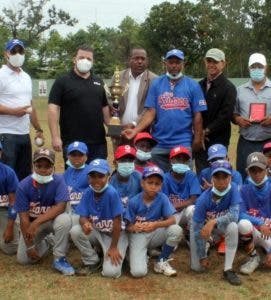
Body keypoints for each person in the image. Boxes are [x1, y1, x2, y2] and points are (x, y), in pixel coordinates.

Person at [122, 49, 207, 172]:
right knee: (156, 181)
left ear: (183, 63)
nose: (174, 65)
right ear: (165, 63)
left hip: (182, 142)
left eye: (177, 62)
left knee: (182, 180)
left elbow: (197, 115)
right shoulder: (156, 84)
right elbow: (151, 112)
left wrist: (197, 139)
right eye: (171, 62)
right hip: (159, 143)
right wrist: (135, 131)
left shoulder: (193, 85)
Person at [14, 148, 74, 275]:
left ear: (53, 167)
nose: (43, 170)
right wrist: (29, 246)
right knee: (23, 259)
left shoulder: (58, 180)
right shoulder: (23, 185)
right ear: (33, 166)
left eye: (47, 166)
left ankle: (59, 258)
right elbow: (24, 218)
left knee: (64, 219)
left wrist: (36, 223)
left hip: (50, 222)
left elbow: (61, 207)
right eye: (39, 165)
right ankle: (48, 241)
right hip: (31, 227)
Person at [48, 45, 111, 166]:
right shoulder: (62, 81)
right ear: (74, 59)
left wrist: (114, 129)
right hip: (73, 143)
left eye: (89, 59)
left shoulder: (99, 82)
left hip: (98, 143)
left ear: (93, 62)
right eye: (81, 57)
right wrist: (55, 137)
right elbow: (53, 109)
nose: (85, 61)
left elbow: (105, 109)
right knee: (75, 181)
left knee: (99, 179)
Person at [70, 159, 128, 278]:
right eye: (93, 176)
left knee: (111, 273)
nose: (96, 180)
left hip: (115, 235)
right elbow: (82, 216)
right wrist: (85, 223)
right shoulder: (87, 192)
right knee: (75, 231)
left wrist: (113, 247)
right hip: (98, 231)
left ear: (109, 178)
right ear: (88, 178)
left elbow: (117, 222)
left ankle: (117, 252)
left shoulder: (112, 193)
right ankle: (92, 261)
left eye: (101, 176)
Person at [190, 160, 242, 286]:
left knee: (233, 226)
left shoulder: (233, 188)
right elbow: (197, 229)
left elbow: (234, 216)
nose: (221, 181)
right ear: (212, 178)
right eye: (217, 177)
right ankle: (207, 243)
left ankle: (228, 269)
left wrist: (213, 221)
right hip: (204, 229)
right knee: (197, 268)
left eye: (225, 177)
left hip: (220, 226)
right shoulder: (203, 200)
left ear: (230, 177)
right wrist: (202, 256)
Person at [125, 166, 183, 277]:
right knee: (138, 273)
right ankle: (133, 254)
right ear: (142, 183)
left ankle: (161, 261)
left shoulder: (162, 198)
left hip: (155, 232)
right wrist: (133, 227)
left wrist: (156, 224)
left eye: (157, 184)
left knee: (176, 230)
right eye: (150, 182)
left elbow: (172, 220)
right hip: (138, 235)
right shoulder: (134, 201)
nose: (153, 186)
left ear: (161, 186)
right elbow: (126, 227)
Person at [0, 39, 44, 180]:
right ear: (6, 54)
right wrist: (14, 112)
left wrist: (39, 129)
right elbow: (19, 110)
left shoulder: (26, 77)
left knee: (25, 176)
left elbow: (30, 106)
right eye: (14, 51)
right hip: (6, 134)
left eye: (21, 51)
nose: (17, 54)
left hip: (24, 134)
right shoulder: (1, 75)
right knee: (7, 177)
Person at [195, 48, 237, 173]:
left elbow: (226, 115)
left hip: (218, 140)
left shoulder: (229, 87)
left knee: (219, 176)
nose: (211, 64)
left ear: (223, 63)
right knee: (202, 176)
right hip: (199, 141)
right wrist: (198, 133)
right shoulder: (199, 85)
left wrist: (206, 131)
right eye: (209, 61)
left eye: (215, 61)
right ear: (205, 62)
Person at [233, 53, 271, 180]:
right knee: (244, 176)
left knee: (268, 177)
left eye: (259, 66)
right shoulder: (240, 90)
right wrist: (238, 120)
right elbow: (234, 113)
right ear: (249, 68)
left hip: (268, 142)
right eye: (253, 67)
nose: (256, 69)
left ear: (266, 68)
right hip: (246, 142)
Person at [238, 152, 271, 274]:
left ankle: (265, 253)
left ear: (267, 170)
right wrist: (260, 222)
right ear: (247, 172)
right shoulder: (243, 190)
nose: (257, 174)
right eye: (253, 170)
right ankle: (254, 257)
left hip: (269, 233)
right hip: (254, 232)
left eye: (260, 170)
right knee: (243, 224)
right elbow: (240, 214)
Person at [162, 146, 201, 235]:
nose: (181, 162)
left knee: (193, 210)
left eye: (184, 160)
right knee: (172, 238)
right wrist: (173, 208)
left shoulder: (191, 175)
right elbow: (163, 201)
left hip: (185, 210)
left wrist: (180, 205)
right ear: (171, 161)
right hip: (170, 212)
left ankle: (191, 234)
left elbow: (193, 199)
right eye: (178, 159)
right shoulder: (165, 178)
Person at [63, 141, 89, 225]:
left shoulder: (91, 172)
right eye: (73, 155)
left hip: (83, 213)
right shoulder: (67, 171)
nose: (77, 157)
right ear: (68, 156)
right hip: (68, 210)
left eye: (80, 155)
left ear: (86, 156)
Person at [0, 142, 19, 255]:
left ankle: (47, 239)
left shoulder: (8, 172)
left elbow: (14, 202)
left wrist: (10, 227)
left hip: (5, 211)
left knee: (10, 249)